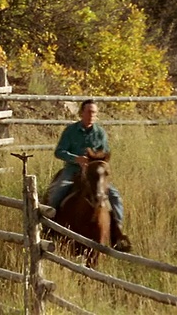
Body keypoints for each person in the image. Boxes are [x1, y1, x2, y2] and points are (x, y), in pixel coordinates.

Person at [46, 99, 132, 252]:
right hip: (73, 170)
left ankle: (117, 233)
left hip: (93, 172)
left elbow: (104, 154)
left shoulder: (100, 133)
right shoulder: (70, 131)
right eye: (89, 112)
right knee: (57, 191)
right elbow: (59, 152)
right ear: (81, 113)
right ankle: (48, 227)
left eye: (94, 112)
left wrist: (95, 162)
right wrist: (76, 158)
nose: (91, 115)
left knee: (114, 195)